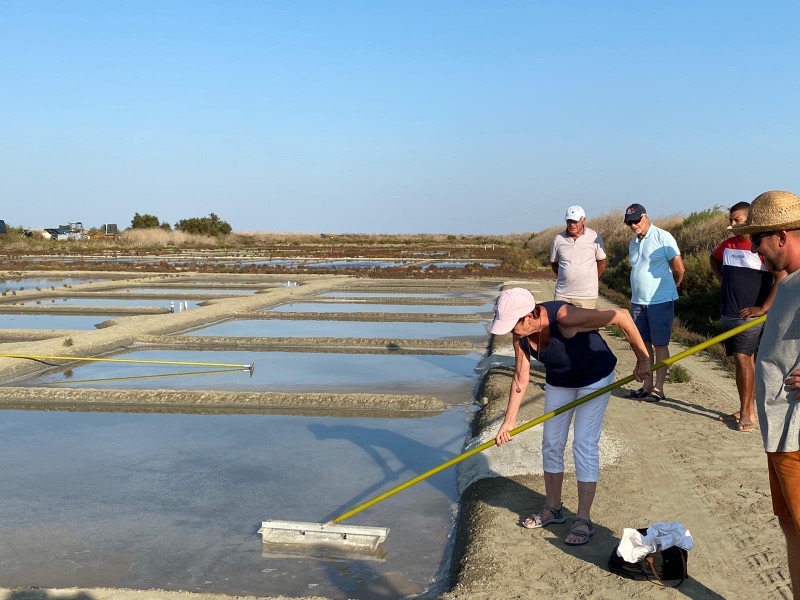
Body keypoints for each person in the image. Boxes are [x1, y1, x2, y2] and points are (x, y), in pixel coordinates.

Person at [492, 287, 650, 546]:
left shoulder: (564, 316)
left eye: (512, 325)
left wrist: (642, 359)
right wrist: (508, 422)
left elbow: (621, 315)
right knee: (551, 442)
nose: (510, 330)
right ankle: (553, 508)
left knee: (583, 443)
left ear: (529, 316)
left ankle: (583, 519)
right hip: (560, 381)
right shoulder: (520, 334)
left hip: (595, 378)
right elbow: (521, 377)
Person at [731, 190, 800, 596]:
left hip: (796, 435)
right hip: (779, 432)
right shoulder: (789, 284)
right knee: (790, 528)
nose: (753, 249)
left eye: (757, 240)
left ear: (780, 236)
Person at [710, 201, 786, 432]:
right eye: (730, 220)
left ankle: (746, 414)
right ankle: (748, 408)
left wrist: (763, 308)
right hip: (729, 311)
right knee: (744, 361)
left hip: (749, 317)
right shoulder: (727, 245)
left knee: (743, 359)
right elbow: (713, 259)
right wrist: (723, 279)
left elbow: (781, 276)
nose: (732, 224)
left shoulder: (760, 247)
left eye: (738, 220)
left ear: (749, 220)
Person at [624, 203, 685, 402]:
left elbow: (679, 268)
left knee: (660, 344)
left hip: (660, 301)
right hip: (638, 301)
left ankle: (659, 388)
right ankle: (647, 386)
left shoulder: (663, 236)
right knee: (643, 345)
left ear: (646, 217)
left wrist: (671, 288)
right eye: (629, 222)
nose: (633, 225)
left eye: (636, 221)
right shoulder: (633, 242)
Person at [549, 205, 607, 309]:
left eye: (575, 221)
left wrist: (591, 280)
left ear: (583, 220)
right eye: (569, 221)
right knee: (560, 325)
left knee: (585, 325)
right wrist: (567, 276)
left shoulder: (595, 237)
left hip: (586, 297)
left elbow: (601, 264)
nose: (571, 224)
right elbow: (554, 264)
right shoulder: (558, 239)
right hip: (563, 295)